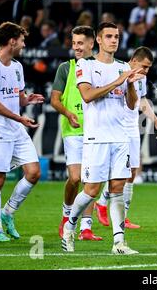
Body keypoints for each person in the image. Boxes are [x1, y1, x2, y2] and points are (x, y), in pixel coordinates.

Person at [61, 22, 144, 254]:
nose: (114, 40)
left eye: (116, 36)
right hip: (96, 138)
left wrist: (130, 86)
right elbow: (87, 96)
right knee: (91, 190)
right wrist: (117, 82)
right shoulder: (85, 65)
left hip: (120, 137)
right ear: (98, 39)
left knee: (118, 187)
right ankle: (69, 226)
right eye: (109, 36)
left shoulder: (123, 66)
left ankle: (119, 242)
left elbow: (130, 104)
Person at [0, 21, 44, 242]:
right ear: (12, 41)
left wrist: (28, 100)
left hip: (16, 129)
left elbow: (17, 98)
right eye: (22, 40)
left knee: (34, 172)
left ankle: (8, 212)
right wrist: (19, 117)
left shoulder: (17, 67)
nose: (24, 45)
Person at [95, 47, 157, 229]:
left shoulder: (142, 78)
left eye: (149, 68)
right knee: (120, 172)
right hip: (118, 127)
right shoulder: (118, 71)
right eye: (144, 66)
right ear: (133, 60)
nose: (146, 70)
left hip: (132, 127)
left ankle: (122, 215)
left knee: (132, 172)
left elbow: (141, 102)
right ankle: (102, 203)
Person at [51, 25, 102, 241]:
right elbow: (54, 99)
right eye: (74, 43)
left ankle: (86, 228)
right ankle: (66, 216)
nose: (76, 47)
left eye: (80, 43)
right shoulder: (66, 68)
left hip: (96, 130)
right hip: (72, 130)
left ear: (92, 43)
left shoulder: (101, 67)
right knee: (75, 177)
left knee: (90, 180)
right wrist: (67, 112)